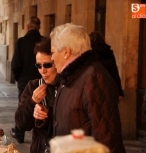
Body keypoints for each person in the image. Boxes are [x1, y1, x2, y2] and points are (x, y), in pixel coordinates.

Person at [49, 23, 126, 153]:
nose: (51, 58)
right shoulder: (71, 76)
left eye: (53, 52)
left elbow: (106, 138)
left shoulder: (94, 78)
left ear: (66, 52)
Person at [15, 38, 57, 153]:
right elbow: (21, 123)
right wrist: (32, 102)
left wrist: (47, 114)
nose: (43, 71)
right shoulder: (34, 86)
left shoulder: (67, 87)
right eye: (39, 66)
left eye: (47, 65)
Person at [11, 16, 44, 143]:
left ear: (28, 27)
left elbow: (15, 64)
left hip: (25, 81)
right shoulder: (44, 41)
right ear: (39, 27)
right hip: (42, 80)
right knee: (43, 105)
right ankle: (40, 130)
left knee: (23, 105)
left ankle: (19, 133)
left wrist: (19, 78)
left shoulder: (22, 42)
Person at [89, 31, 124, 98]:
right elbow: (114, 73)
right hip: (107, 86)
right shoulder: (108, 52)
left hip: (92, 86)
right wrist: (119, 92)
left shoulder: (89, 53)